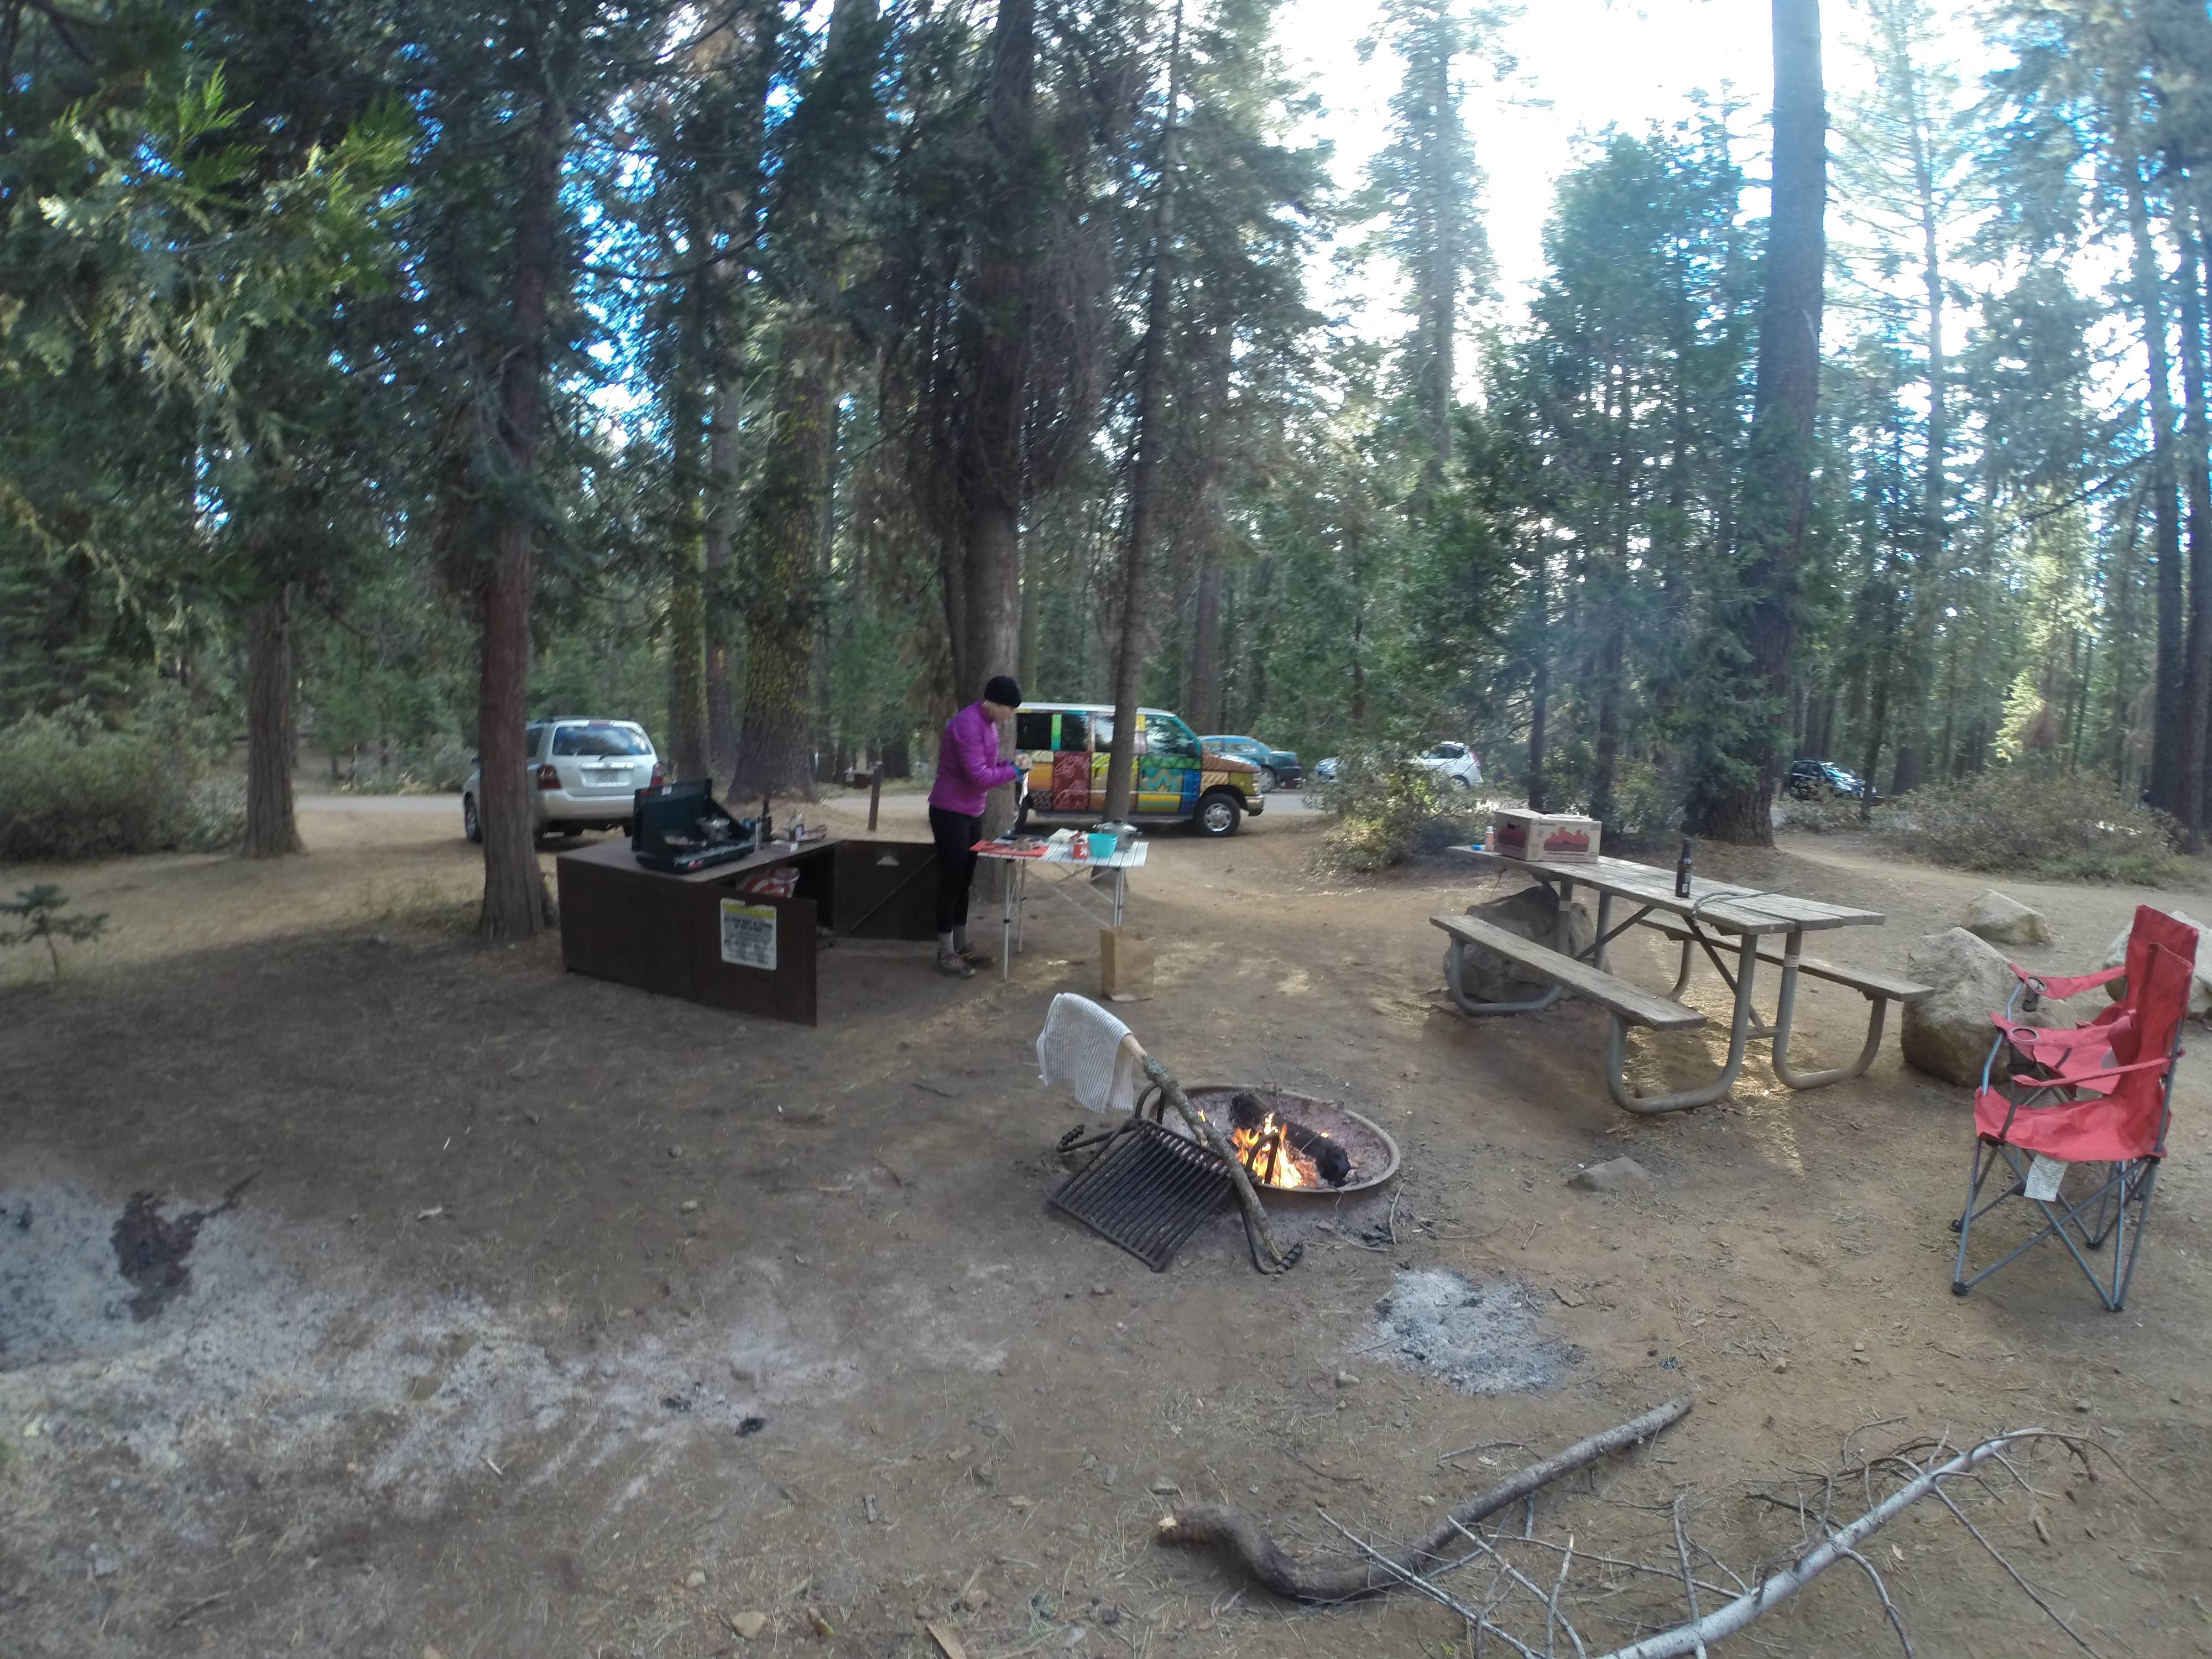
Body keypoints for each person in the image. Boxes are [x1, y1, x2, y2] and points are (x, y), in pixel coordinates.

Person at [927, 674, 1027, 978]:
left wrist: (1013, 766)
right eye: (1010, 709)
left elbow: (989, 767)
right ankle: (945, 952)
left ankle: (961, 944)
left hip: (972, 812)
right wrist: (1011, 770)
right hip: (949, 811)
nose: (1011, 716)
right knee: (951, 880)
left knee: (965, 879)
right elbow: (978, 777)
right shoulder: (967, 725)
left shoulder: (990, 726)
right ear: (995, 704)